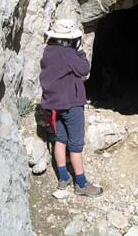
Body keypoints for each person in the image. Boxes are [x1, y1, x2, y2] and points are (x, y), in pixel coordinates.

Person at [39, 18, 103, 197]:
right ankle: (81, 184)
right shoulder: (67, 53)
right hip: (71, 105)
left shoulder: (48, 51)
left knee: (60, 139)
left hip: (53, 106)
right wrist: (80, 51)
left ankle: (63, 177)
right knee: (75, 145)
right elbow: (84, 69)